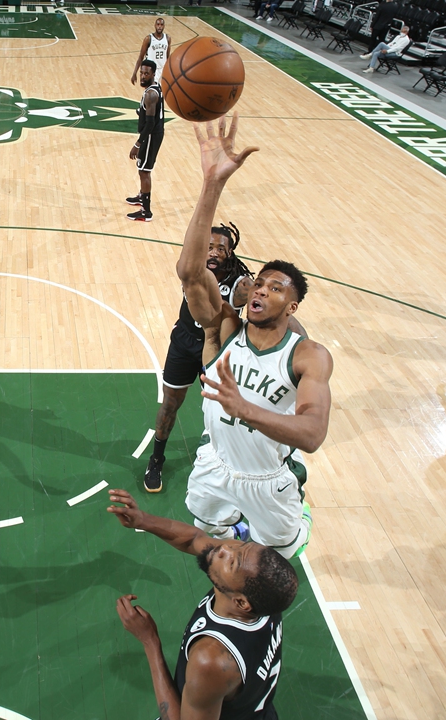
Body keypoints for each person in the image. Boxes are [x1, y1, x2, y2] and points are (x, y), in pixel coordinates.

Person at [179, 117, 333, 556]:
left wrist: (242, 407)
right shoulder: (224, 327)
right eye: (260, 282)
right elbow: (191, 272)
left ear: (293, 306)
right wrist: (212, 184)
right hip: (217, 463)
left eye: (276, 287)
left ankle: (295, 519)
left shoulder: (309, 357)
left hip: (269, 477)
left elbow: (311, 434)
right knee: (212, 538)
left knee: (277, 557)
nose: (262, 288)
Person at [109, 488, 298, 720]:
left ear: (241, 602)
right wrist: (143, 519)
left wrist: (149, 640)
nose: (224, 549)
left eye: (232, 563)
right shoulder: (265, 598)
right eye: (239, 546)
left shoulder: (211, 659)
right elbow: (195, 539)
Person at [144, 223, 255, 493]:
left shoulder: (240, 284)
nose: (214, 253)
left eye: (221, 248)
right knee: (170, 404)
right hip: (183, 343)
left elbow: (257, 302)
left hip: (217, 348)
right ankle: (156, 458)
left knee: (218, 411)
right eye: (208, 247)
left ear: (231, 253)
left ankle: (220, 463)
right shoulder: (193, 270)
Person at [125, 60, 164, 223]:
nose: (142, 76)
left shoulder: (151, 94)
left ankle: (146, 211)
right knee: (142, 167)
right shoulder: (154, 88)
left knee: (144, 171)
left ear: (154, 74)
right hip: (152, 134)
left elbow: (150, 123)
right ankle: (142, 196)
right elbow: (150, 114)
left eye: (146, 73)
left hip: (150, 136)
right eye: (141, 72)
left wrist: (137, 144)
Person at [131, 17, 170, 86]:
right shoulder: (148, 39)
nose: (159, 26)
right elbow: (141, 57)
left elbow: (167, 57)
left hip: (162, 70)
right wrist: (134, 73)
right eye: (158, 24)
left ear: (164, 26)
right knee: (152, 92)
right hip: (151, 71)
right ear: (155, 25)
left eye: (161, 25)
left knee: (162, 93)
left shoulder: (167, 38)